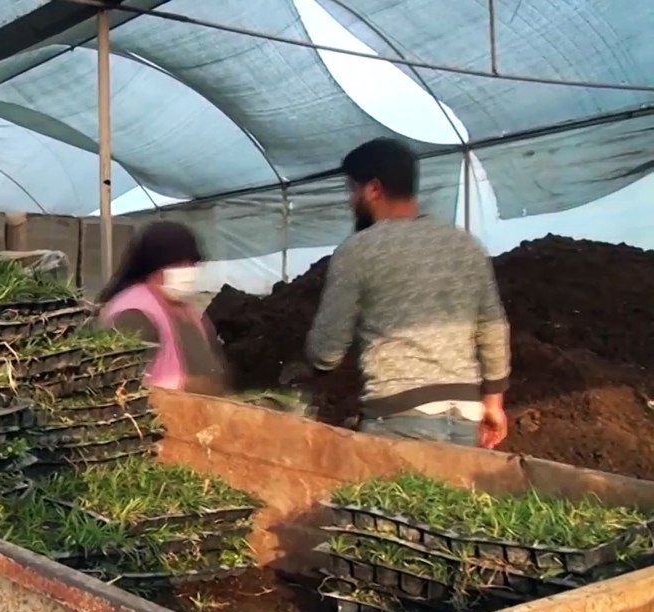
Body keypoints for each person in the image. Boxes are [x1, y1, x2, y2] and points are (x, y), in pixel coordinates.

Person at [280, 138, 511, 448]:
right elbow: (493, 328)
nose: (351, 200)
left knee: (391, 496)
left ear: (373, 189)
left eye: (353, 189)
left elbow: (327, 349)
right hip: (466, 416)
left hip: (398, 416)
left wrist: (313, 365)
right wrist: (493, 403)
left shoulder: (358, 250)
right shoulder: (465, 245)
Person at [98, 221, 232, 396]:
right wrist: (188, 385)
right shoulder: (133, 314)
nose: (189, 271)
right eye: (179, 264)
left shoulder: (188, 311)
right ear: (154, 266)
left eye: (191, 264)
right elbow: (120, 384)